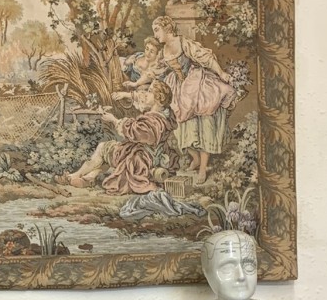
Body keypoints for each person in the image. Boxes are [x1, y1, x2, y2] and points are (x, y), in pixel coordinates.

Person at [151, 15, 234, 185]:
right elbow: (157, 71)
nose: (155, 34)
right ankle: (195, 158)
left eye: (157, 30)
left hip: (195, 85)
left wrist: (221, 73)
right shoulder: (163, 51)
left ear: (167, 28)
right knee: (181, 126)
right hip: (178, 87)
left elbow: (206, 58)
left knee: (204, 125)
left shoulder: (184, 43)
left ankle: (203, 167)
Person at [65, 79, 173, 194]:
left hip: (139, 159)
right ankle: (90, 177)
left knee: (103, 147)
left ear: (159, 99)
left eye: (150, 91)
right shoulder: (163, 117)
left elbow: (135, 131)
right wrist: (125, 95)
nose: (146, 94)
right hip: (150, 156)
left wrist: (114, 120)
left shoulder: (152, 121)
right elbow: (140, 102)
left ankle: (74, 175)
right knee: (111, 151)